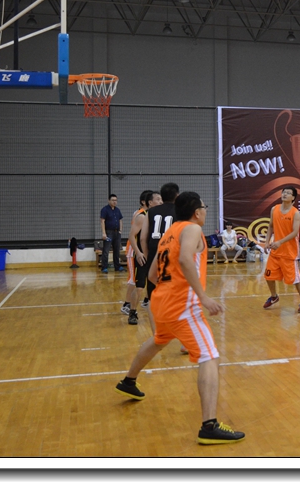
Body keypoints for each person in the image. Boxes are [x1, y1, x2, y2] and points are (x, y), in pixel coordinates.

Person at [114, 191, 245, 445]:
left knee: (159, 340)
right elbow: (185, 259)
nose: (205, 211)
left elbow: (152, 275)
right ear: (197, 212)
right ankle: (209, 425)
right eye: (204, 207)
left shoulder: (169, 233)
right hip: (183, 305)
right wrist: (202, 296)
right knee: (209, 356)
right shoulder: (193, 229)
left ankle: (128, 381)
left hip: (161, 301)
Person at [261, 186, 300, 313]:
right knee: (268, 275)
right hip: (275, 251)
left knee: (296, 279)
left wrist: (280, 242)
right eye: (284, 192)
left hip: (289, 252)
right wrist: (267, 242)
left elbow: (295, 232)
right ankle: (274, 296)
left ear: (293, 198)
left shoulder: (295, 213)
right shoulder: (274, 209)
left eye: (288, 193)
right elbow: (271, 226)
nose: (285, 194)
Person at [142, 183, 180, 306]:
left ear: (162, 197)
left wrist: (147, 256)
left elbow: (143, 238)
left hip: (154, 252)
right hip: (171, 254)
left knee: (153, 295)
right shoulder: (180, 211)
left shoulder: (150, 212)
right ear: (177, 195)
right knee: (172, 294)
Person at [122, 190, 154, 326]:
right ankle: (128, 306)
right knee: (135, 283)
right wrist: (138, 252)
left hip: (151, 254)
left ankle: (147, 302)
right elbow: (132, 235)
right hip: (137, 252)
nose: (160, 201)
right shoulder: (140, 215)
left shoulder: (155, 215)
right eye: (157, 199)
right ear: (148, 202)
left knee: (153, 283)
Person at [100, 194, 125, 273]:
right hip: (108, 233)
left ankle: (117, 266)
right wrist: (104, 233)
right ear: (109, 200)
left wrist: (120, 230)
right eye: (113, 200)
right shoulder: (105, 209)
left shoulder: (117, 210)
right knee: (106, 250)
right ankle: (104, 267)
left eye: (116, 200)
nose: (115, 202)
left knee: (117, 250)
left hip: (117, 233)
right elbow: (102, 221)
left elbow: (120, 220)